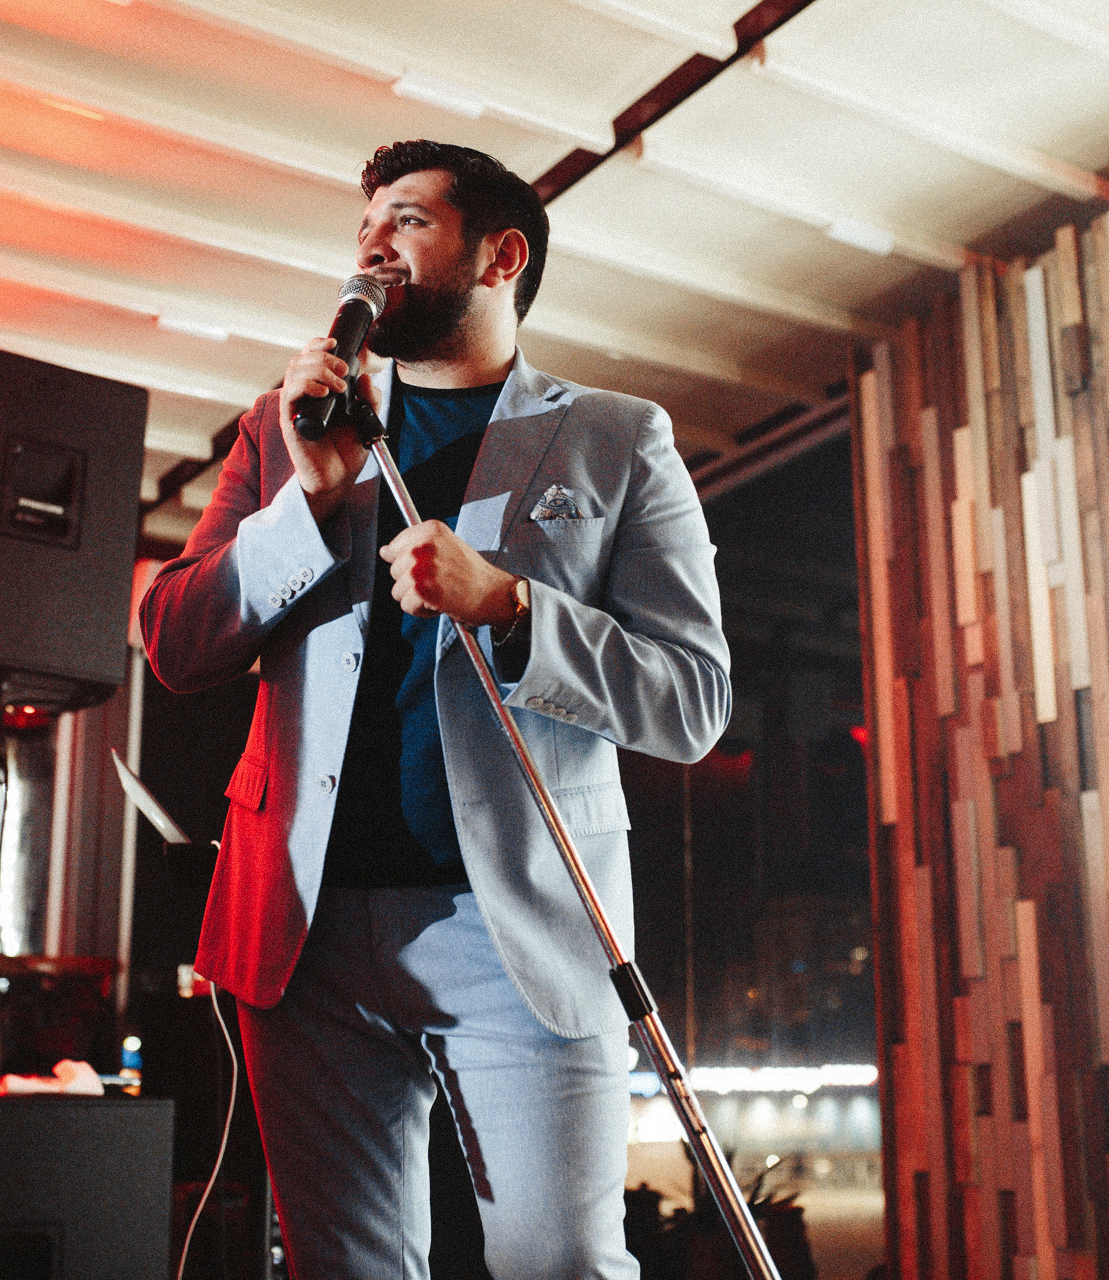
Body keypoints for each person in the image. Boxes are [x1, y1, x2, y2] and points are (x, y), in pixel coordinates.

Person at [139, 140, 730, 1279]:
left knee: (562, 1262)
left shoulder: (616, 436)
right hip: (302, 926)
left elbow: (692, 700)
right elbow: (173, 640)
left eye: (407, 221)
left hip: (517, 925)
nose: (372, 245)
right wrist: (305, 507)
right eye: (365, 227)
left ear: (502, 256)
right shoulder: (287, 427)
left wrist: (510, 606)